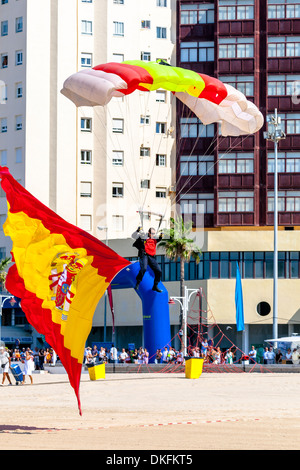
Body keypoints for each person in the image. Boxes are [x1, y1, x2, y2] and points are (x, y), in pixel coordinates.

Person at [132, 226, 163, 293]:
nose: (153, 235)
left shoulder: (154, 240)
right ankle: (138, 282)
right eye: (152, 233)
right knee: (144, 269)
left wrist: (161, 235)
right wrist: (137, 230)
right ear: (149, 233)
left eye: (154, 234)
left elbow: (160, 239)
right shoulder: (143, 238)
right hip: (144, 255)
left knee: (159, 271)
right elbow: (133, 236)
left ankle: (155, 285)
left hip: (151, 257)